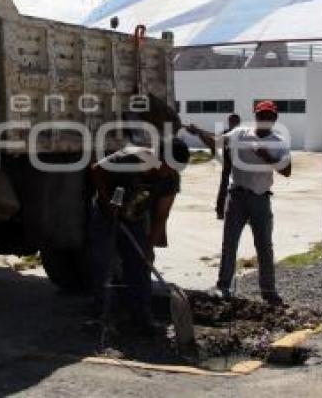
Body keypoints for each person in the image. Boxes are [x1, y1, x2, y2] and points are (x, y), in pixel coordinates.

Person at [187, 100, 291, 306]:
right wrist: (199, 132)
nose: (264, 120)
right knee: (229, 243)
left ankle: (269, 291)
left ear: (275, 119)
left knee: (264, 246)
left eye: (269, 117)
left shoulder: (278, 141)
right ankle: (223, 287)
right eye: (261, 115)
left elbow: (287, 171)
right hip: (236, 197)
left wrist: (265, 155)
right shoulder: (240, 133)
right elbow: (217, 142)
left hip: (261, 199)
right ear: (255, 116)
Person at [88, 137, 190, 330]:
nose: (169, 172)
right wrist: (106, 200)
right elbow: (96, 170)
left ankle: (141, 318)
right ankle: (103, 316)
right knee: (103, 262)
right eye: (167, 167)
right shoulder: (131, 158)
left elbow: (162, 216)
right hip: (106, 214)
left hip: (135, 217)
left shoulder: (170, 178)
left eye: (174, 169)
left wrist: (149, 246)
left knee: (140, 264)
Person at [213, 113, 241, 220]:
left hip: (239, 168)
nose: (232, 123)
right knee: (224, 188)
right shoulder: (225, 134)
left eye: (234, 121)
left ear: (238, 122)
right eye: (231, 121)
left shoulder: (242, 134)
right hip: (228, 166)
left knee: (240, 190)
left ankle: (241, 212)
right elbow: (215, 143)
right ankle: (220, 211)